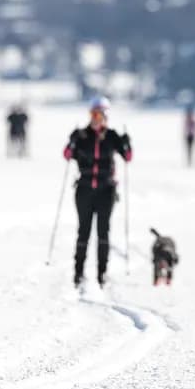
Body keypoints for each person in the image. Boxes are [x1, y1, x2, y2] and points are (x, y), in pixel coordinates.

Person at [62, 96, 132, 287]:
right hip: (84, 189)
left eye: (100, 115)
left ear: (105, 117)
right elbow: (67, 156)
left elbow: (127, 157)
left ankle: (102, 273)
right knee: (83, 231)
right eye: (93, 114)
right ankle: (78, 272)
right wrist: (71, 143)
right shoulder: (82, 135)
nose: (96, 118)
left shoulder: (112, 136)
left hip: (105, 191)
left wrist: (127, 143)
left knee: (103, 232)